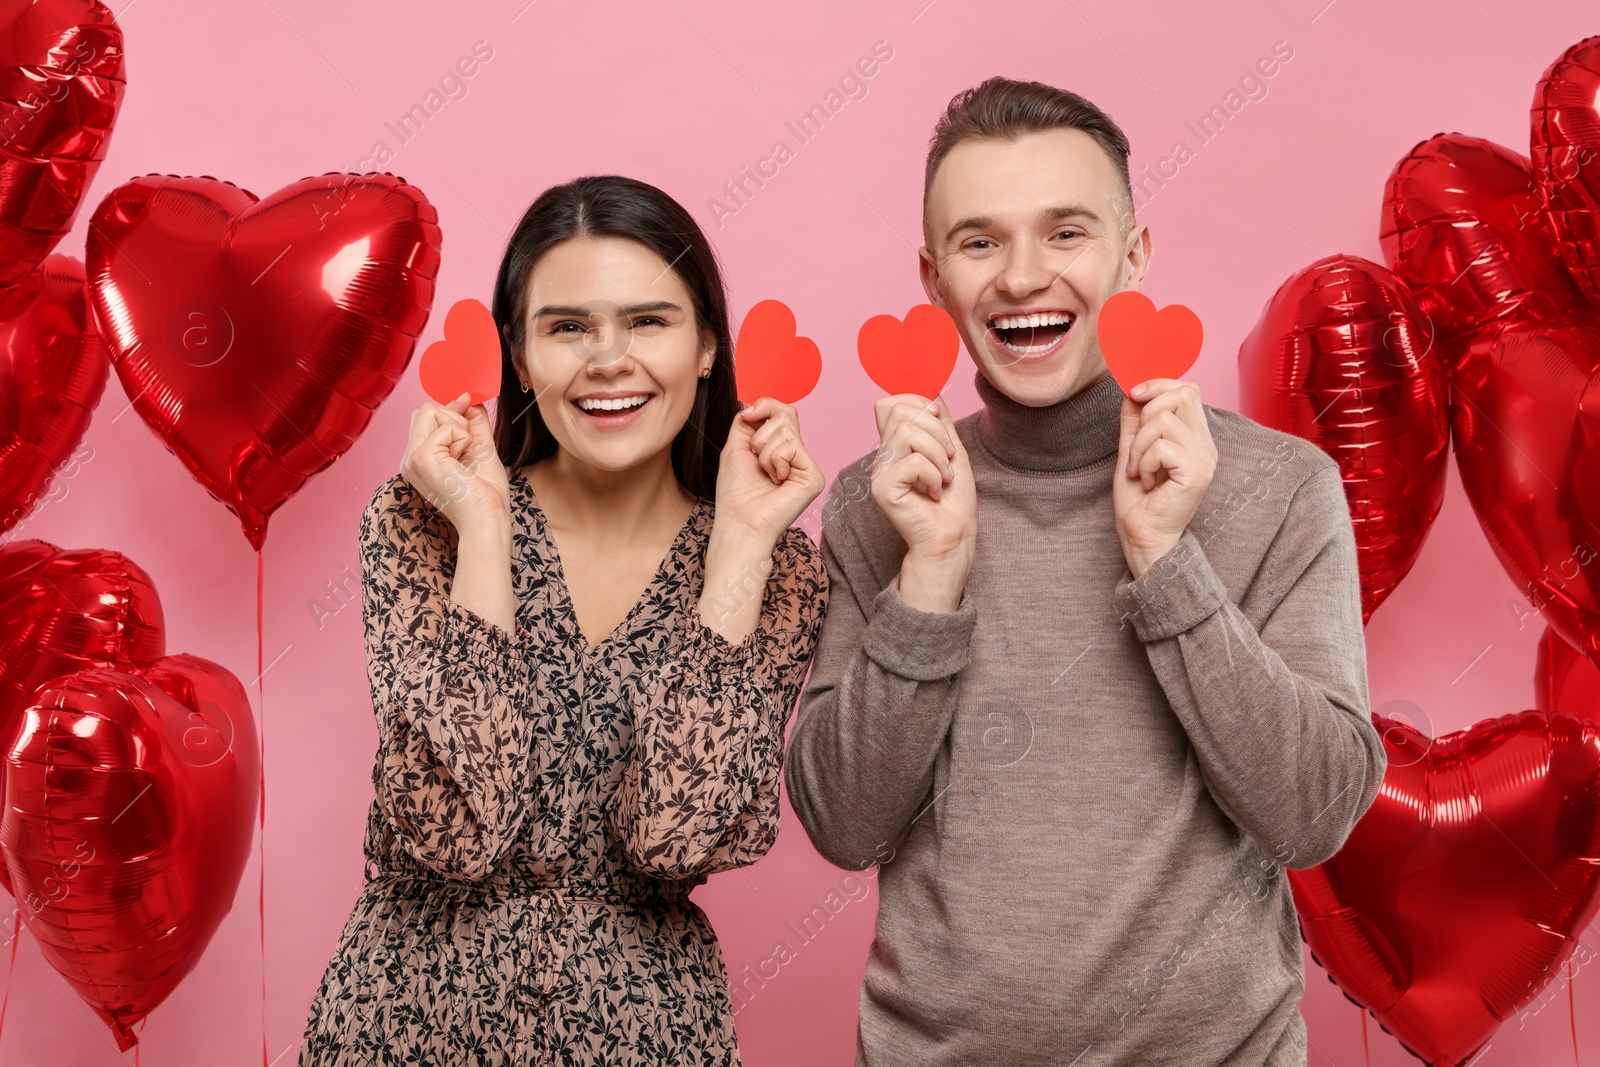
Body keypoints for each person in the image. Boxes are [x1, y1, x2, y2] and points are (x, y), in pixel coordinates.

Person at [783, 77, 1387, 1066]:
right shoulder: (876, 503)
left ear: (1134, 253)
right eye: (979, 242)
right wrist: (930, 574)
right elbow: (846, 822)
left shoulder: (1279, 489)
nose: (1022, 276)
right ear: (933, 279)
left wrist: (1164, 559)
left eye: (1065, 232)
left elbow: (1313, 811)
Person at [299, 175, 828, 1066]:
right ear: (517, 352)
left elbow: (675, 832)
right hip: (409, 1021)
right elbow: (454, 827)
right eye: (568, 326)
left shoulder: (779, 569)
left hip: (646, 1033)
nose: (608, 359)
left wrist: (738, 545)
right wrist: (484, 529)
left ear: (706, 347)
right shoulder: (422, 521)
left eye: (649, 321)